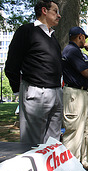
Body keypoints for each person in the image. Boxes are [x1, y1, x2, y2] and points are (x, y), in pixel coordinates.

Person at [5, 0, 62, 144]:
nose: (59, 15)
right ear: (44, 10)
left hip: (56, 93)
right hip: (35, 92)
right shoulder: (26, 31)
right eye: (55, 11)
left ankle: (51, 167)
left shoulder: (53, 37)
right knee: (32, 144)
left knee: (52, 142)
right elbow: (12, 63)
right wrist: (18, 90)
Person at [61, 26, 88, 171]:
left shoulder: (79, 53)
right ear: (80, 36)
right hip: (74, 94)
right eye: (85, 37)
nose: (86, 40)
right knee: (74, 132)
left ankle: (87, 162)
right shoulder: (71, 51)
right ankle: (69, 167)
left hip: (84, 93)